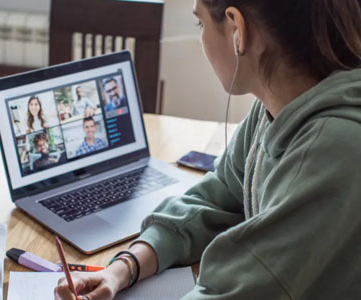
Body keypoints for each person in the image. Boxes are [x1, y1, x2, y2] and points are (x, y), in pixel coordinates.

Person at [55, 0, 361, 299]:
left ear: (236, 28)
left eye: (200, 23)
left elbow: (242, 286)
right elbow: (212, 200)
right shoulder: (274, 108)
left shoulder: (333, 150)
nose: (201, 37)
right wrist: (124, 268)